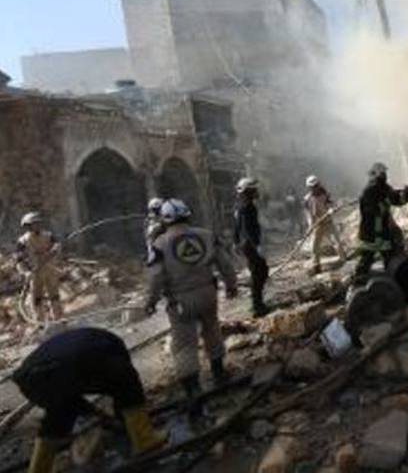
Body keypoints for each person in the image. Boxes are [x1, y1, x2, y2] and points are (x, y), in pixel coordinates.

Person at [11, 327, 165, 473]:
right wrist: (120, 419)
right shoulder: (114, 351)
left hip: (28, 378)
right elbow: (122, 391)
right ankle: (143, 439)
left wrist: (100, 416)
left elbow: (74, 402)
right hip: (71, 362)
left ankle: (39, 470)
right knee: (128, 382)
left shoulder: (97, 346)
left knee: (59, 415)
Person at [146, 199, 238, 416]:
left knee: (184, 344)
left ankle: (193, 390)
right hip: (208, 293)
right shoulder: (206, 235)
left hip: (180, 301)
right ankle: (219, 373)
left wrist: (150, 301)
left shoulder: (159, 244)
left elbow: (156, 277)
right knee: (212, 330)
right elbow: (225, 263)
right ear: (188, 214)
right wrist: (231, 285)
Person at [356, 163, 408, 283]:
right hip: (371, 233)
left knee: (390, 257)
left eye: (384, 173)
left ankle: (394, 282)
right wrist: (387, 201)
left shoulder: (384, 187)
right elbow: (374, 210)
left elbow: (396, 199)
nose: (384, 176)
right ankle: (358, 284)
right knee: (366, 260)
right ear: (375, 175)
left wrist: (407, 194)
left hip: (384, 232)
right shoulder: (368, 191)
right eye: (381, 173)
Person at [14, 212, 63, 323]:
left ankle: (59, 320)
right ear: (27, 226)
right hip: (35, 272)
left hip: (50, 269)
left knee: (54, 296)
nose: (36, 226)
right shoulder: (23, 241)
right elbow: (19, 260)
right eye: (33, 224)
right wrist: (26, 272)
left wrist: (54, 250)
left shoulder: (48, 235)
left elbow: (57, 244)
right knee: (37, 299)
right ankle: (40, 323)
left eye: (37, 223)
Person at [233, 177, 269, 317]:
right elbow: (248, 229)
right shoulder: (248, 207)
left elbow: (237, 227)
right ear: (248, 191)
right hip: (250, 245)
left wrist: (235, 242)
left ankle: (257, 302)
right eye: (254, 189)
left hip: (245, 244)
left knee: (260, 272)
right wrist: (257, 245)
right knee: (259, 273)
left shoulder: (241, 205)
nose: (257, 191)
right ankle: (257, 306)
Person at [303, 175, 334, 272]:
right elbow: (307, 213)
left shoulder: (325, 194)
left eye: (316, 186)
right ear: (309, 187)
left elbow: (331, 204)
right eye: (312, 187)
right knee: (315, 246)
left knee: (336, 242)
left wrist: (330, 210)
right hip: (317, 225)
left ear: (318, 185)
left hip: (328, 222)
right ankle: (316, 265)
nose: (314, 188)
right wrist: (311, 224)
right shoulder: (307, 199)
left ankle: (343, 259)